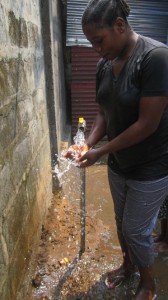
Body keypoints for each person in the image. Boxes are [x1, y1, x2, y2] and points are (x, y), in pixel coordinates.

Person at [65, 0, 168, 299]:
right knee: (121, 222)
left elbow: (148, 124)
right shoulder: (104, 65)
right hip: (120, 163)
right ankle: (128, 266)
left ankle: (148, 284)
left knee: (136, 230)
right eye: (90, 43)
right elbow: (104, 115)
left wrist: (100, 152)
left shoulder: (155, 58)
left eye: (99, 41)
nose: (96, 49)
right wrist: (88, 143)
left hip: (152, 164)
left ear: (120, 27)